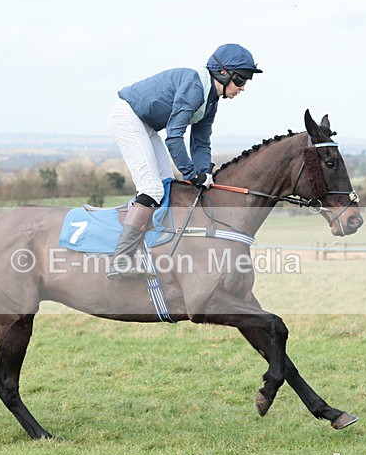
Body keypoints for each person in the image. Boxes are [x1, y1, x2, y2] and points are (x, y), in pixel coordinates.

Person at [106, 43, 263, 278]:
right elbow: (174, 136)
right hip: (129, 118)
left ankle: (152, 247)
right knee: (152, 189)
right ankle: (120, 261)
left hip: (146, 124)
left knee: (167, 184)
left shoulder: (211, 99)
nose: (243, 88)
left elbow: (200, 141)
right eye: (241, 80)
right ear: (223, 73)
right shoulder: (194, 87)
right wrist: (191, 174)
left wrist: (204, 172)